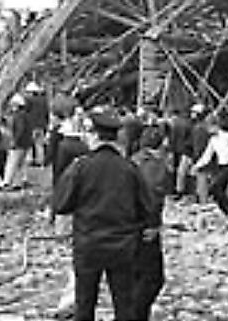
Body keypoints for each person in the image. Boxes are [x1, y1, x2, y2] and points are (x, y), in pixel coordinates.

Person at [53, 106, 156, 321]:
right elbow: (148, 206)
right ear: (117, 136)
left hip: (88, 244)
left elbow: (61, 203)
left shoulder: (80, 167)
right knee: (124, 304)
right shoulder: (130, 169)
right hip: (122, 246)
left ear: (93, 135)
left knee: (84, 303)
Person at [129, 126, 170, 320]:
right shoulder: (154, 166)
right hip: (145, 226)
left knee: (135, 276)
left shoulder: (132, 161)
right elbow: (152, 195)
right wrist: (153, 224)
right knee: (153, 279)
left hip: (128, 225)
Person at [3, 94, 33, 189]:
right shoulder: (26, 115)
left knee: (12, 163)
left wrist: (14, 141)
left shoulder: (18, 116)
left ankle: (7, 182)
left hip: (19, 144)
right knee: (21, 164)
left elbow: (20, 129)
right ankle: (20, 181)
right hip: (25, 143)